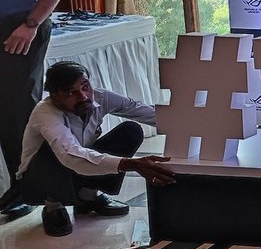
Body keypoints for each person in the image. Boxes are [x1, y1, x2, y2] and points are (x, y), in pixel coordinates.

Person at [13, 61, 175, 237]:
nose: (83, 96)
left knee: (131, 131)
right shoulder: (45, 113)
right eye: (71, 92)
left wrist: (190, 122)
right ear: (55, 97)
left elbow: (138, 109)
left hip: (76, 168)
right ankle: (53, 205)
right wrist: (133, 164)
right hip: (38, 180)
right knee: (54, 151)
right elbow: (70, 156)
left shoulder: (100, 97)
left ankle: (88, 197)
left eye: (85, 87)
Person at [0, 0, 70, 220]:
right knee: (4, 112)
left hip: (21, 27)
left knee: (22, 111)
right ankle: (22, 186)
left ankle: (51, 192)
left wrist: (30, 25)